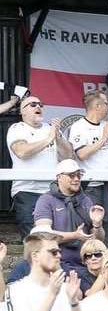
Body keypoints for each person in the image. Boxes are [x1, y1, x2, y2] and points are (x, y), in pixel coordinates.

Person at [9, 94, 71, 235]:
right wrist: (49, 139)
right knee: (34, 237)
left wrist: (58, 137)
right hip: (27, 190)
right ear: (22, 111)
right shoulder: (17, 128)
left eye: (40, 105)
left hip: (53, 190)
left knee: (58, 235)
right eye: (33, 105)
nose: (38, 107)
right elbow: (22, 151)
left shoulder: (50, 128)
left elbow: (68, 156)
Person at [33, 159, 106, 268]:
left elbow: (98, 240)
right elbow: (43, 235)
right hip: (56, 262)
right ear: (59, 177)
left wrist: (97, 224)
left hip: (85, 262)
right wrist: (74, 235)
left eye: (79, 175)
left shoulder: (85, 200)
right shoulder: (46, 200)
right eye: (71, 175)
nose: (76, 179)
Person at [69, 91, 108, 214]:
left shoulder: (106, 126)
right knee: (92, 220)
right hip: (90, 184)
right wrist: (103, 140)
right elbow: (81, 154)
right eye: (106, 104)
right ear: (97, 106)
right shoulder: (79, 126)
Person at [10, 232, 82, 311]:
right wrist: (52, 294)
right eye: (53, 252)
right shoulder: (17, 290)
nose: (59, 255)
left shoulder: (65, 288)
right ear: (35, 256)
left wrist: (74, 302)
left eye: (59, 252)